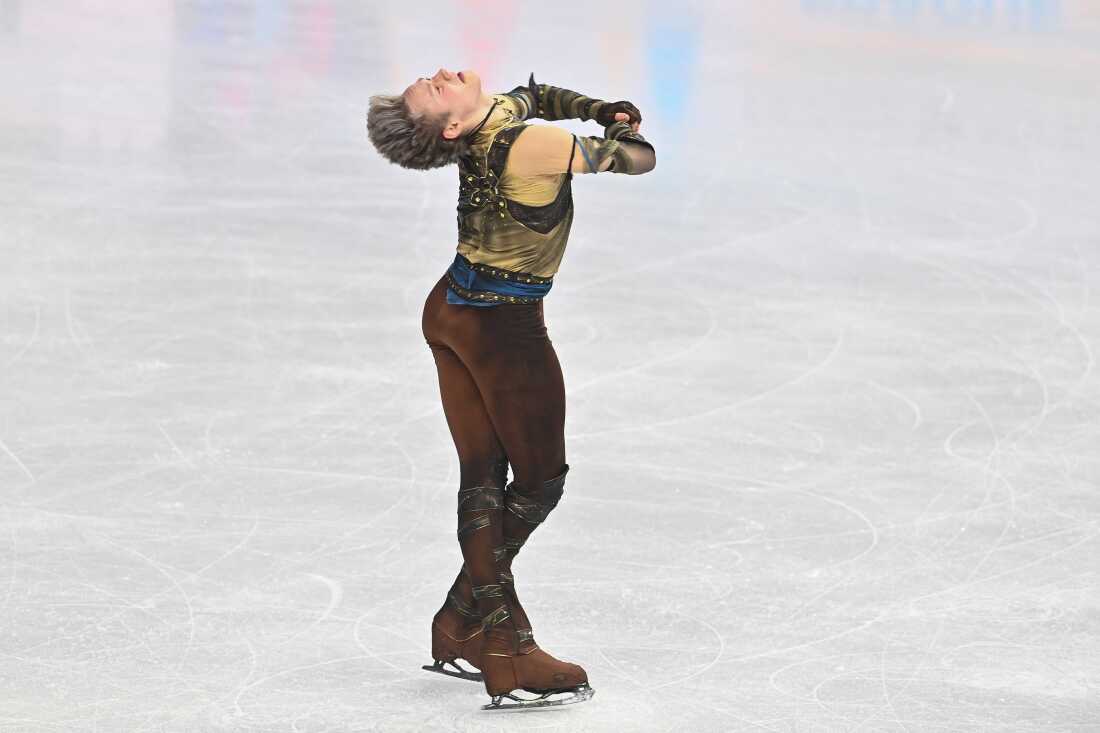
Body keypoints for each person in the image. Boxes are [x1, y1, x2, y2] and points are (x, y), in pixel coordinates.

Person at [366, 67, 655, 710]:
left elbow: (534, 95)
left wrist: (595, 104)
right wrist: (619, 125)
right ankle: (497, 640)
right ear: (450, 125)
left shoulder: (488, 123)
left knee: (482, 471)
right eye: (434, 89)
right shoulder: (529, 146)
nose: (439, 74)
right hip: (503, 329)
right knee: (538, 480)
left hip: (451, 309)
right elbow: (638, 160)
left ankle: (464, 623)